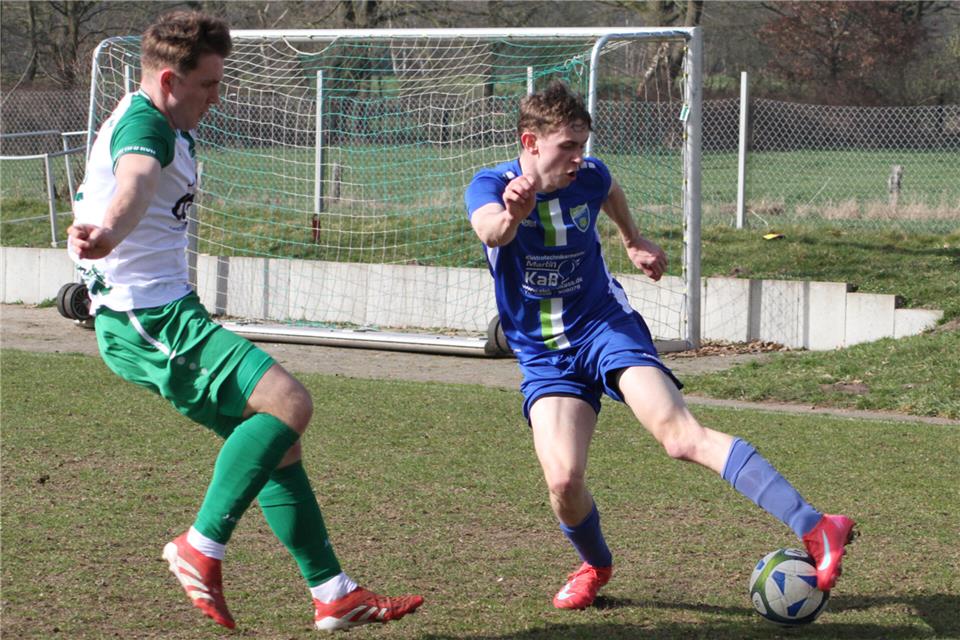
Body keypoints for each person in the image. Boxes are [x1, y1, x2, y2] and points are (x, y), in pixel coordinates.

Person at [67, 11, 423, 632]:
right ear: (171, 80)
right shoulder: (146, 125)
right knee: (288, 404)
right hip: (146, 319)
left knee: (279, 445)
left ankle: (334, 592)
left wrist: (108, 230)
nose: (217, 96)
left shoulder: (163, 118)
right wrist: (106, 232)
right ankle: (199, 548)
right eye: (208, 84)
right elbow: (136, 181)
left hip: (165, 312)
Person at [464, 81, 856, 611]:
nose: (579, 159)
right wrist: (512, 212)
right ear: (529, 142)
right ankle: (596, 565)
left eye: (583, 146)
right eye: (567, 148)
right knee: (563, 480)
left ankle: (817, 526)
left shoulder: (591, 175)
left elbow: (607, 187)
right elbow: (491, 231)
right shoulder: (491, 184)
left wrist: (632, 239)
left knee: (679, 436)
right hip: (544, 357)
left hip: (605, 327)